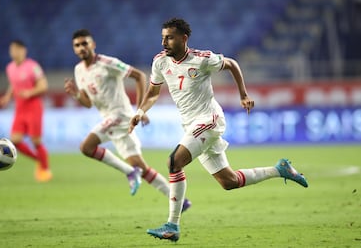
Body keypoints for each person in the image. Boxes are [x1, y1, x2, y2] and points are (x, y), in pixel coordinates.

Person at [129, 18, 308, 242]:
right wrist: (139, 111)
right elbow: (153, 93)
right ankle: (280, 170)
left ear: (184, 39)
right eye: (163, 37)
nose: (164, 42)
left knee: (174, 162)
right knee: (229, 182)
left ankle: (172, 225)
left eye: (170, 37)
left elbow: (232, 64)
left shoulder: (202, 60)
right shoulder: (160, 62)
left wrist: (243, 94)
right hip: (190, 124)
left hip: (209, 119)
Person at [64, 29, 191, 210]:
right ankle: (180, 201)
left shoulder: (107, 63)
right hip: (110, 121)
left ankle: (129, 173)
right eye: (77, 45)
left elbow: (139, 76)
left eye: (85, 43)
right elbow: (88, 103)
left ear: (93, 45)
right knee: (142, 167)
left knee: (86, 147)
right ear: (74, 49)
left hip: (120, 116)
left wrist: (140, 109)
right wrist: (76, 94)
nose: (81, 47)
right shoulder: (79, 71)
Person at [0, 40, 52, 182]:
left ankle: (45, 170)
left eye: (16, 49)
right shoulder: (10, 67)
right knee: (15, 140)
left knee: (36, 141)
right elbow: (13, 84)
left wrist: (29, 92)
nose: (14, 52)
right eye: (12, 50)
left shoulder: (32, 66)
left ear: (23, 50)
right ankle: (39, 160)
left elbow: (44, 85)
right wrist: (7, 97)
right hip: (20, 108)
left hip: (33, 107)